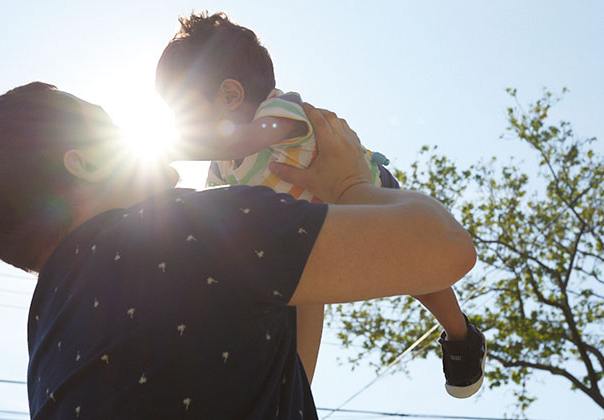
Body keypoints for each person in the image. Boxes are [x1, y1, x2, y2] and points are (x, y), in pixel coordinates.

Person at [0, 82, 477, 419]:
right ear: (84, 163)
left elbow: (280, 383)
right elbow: (447, 248)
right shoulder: (183, 230)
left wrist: (301, 213)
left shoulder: (51, 335)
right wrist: (349, 186)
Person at [155, 11, 486, 399]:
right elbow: (215, 209)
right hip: (312, 225)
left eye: (180, 110)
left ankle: (460, 334)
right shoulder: (221, 167)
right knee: (299, 295)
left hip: (363, 193)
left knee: (419, 278)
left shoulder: (281, 112)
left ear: (231, 95)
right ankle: (296, 394)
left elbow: (244, 141)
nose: (176, 122)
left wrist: (166, 148)